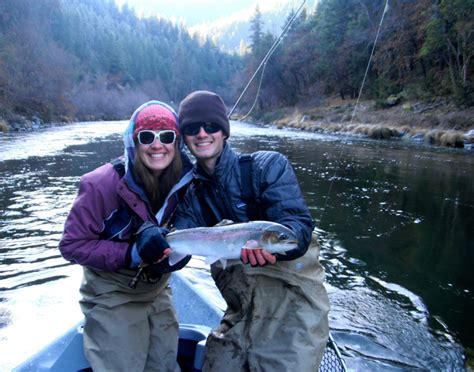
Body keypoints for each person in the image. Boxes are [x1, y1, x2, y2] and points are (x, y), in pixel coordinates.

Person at [173, 90, 330, 371]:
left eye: (210, 126)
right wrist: (153, 243)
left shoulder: (268, 166)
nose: (202, 133)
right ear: (183, 137)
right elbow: (177, 242)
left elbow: (298, 225)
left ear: (224, 131)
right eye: (191, 128)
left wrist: (283, 246)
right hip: (241, 311)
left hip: (295, 312)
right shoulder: (191, 197)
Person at [58, 101, 192, 371]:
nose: (157, 145)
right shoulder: (99, 184)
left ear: (177, 142)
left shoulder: (188, 181)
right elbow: (71, 245)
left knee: (165, 365)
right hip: (112, 291)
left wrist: (178, 255)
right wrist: (131, 253)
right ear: (134, 141)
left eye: (166, 136)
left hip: (158, 288)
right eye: (146, 137)